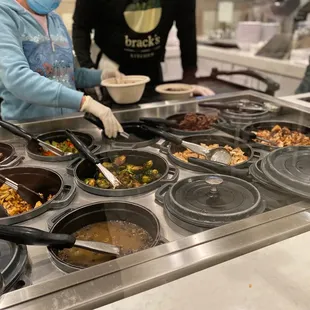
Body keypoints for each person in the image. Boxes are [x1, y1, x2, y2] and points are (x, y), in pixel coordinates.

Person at [0, 0, 123, 138]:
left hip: (68, 128)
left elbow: (67, 74)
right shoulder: (4, 16)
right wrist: (83, 102)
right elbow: (17, 78)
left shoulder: (55, 20)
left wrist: (101, 76)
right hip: (27, 132)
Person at [72, 0, 214, 96]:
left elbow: (187, 29)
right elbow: (80, 27)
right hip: (111, 65)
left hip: (151, 66)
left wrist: (189, 75)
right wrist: (88, 68)